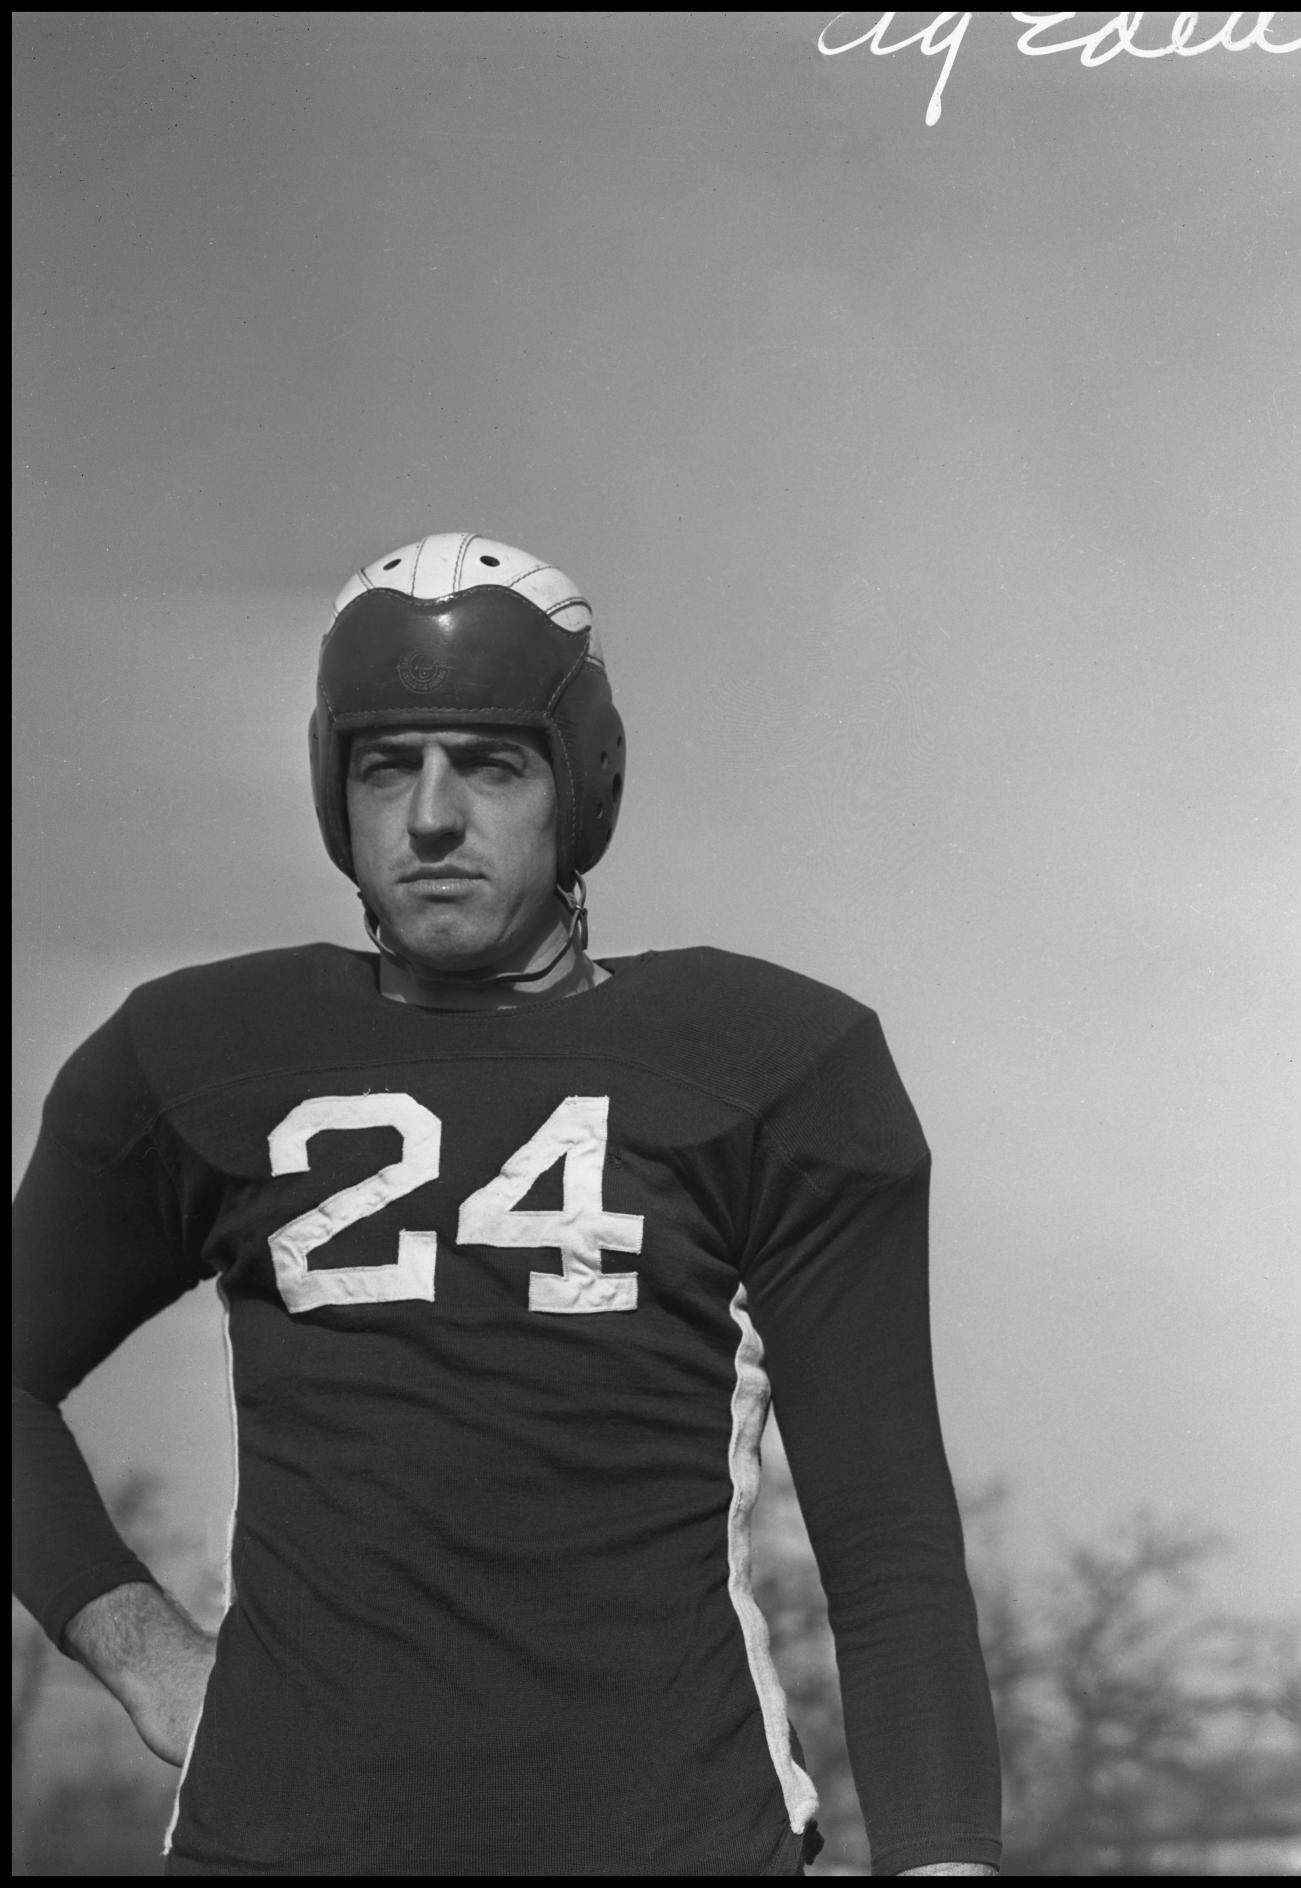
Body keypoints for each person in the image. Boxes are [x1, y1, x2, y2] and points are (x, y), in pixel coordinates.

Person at [12, 532, 1004, 1877]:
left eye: (489, 762)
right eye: (386, 763)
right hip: (280, 1849)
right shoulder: (198, 1058)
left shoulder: (771, 1068)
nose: (430, 815)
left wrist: (945, 1859)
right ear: (332, 787)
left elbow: (885, 1542)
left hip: (677, 1847)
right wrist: (133, 1644)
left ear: (575, 782)